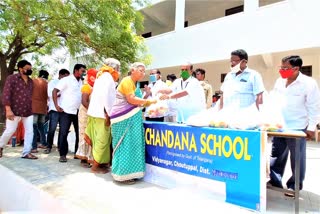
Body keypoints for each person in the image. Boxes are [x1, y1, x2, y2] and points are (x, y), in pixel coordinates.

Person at [269, 55, 320, 195]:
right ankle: (274, 181)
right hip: (279, 125)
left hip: (298, 126)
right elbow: (274, 100)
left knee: (297, 157)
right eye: (281, 67)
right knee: (276, 155)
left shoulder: (309, 83)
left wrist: (311, 128)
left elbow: (314, 107)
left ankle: (294, 185)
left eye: (285, 68)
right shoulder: (279, 81)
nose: (282, 70)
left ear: (296, 68)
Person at [110, 62, 156, 184]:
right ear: (132, 70)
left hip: (133, 119)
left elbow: (138, 100)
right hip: (123, 119)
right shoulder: (126, 81)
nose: (143, 73)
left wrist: (147, 97)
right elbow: (131, 99)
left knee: (133, 145)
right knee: (125, 145)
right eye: (140, 70)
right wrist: (148, 102)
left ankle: (132, 172)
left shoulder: (135, 84)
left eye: (144, 71)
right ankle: (122, 174)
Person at [85, 59, 120, 173]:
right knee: (102, 141)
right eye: (118, 68)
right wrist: (108, 114)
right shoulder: (108, 77)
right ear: (114, 68)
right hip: (102, 114)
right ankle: (95, 167)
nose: (118, 71)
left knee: (97, 140)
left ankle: (101, 164)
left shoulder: (101, 76)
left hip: (94, 112)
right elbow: (107, 98)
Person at [0, 60, 37, 159]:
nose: (30, 70)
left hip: (28, 110)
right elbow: (6, 94)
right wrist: (8, 109)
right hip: (14, 109)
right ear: (20, 69)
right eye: (27, 69)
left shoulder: (30, 81)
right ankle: (0, 146)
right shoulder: (12, 78)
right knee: (10, 130)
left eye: (30, 68)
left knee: (30, 131)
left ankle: (26, 152)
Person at [52, 64, 86, 162]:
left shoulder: (82, 82)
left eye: (84, 71)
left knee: (79, 133)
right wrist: (56, 106)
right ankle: (63, 155)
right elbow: (55, 91)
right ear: (76, 70)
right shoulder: (66, 80)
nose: (83, 73)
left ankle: (77, 153)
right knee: (63, 133)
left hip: (78, 111)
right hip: (66, 111)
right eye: (82, 71)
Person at [44, 69, 70, 154]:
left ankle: (60, 146)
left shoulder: (67, 84)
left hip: (64, 110)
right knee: (52, 128)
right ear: (60, 75)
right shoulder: (53, 82)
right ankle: (49, 146)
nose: (66, 78)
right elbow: (50, 94)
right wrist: (59, 93)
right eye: (65, 76)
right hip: (54, 109)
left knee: (63, 130)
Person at [31, 69, 49, 153]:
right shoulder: (47, 84)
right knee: (41, 126)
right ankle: (44, 143)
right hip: (43, 108)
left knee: (33, 127)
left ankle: (34, 147)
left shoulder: (34, 81)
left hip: (34, 107)